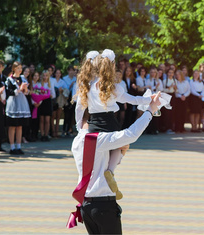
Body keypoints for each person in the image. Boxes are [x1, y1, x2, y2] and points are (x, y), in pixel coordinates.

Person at [71, 92, 161, 234]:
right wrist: (150, 110)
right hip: (103, 205)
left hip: (86, 205)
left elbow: (98, 163)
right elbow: (131, 134)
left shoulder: (76, 141)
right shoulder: (98, 140)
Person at [76, 49, 153, 199]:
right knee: (121, 145)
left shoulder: (87, 86)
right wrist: (149, 100)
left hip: (93, 125)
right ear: (112, 65)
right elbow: (133, 100)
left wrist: (79, 126)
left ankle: (99, 182)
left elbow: (79, 109)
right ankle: (110, 172)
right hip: (110, 123)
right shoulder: (113, 87)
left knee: (100, 154)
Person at [5, 61, 31, 154]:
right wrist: (20, 89)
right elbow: (10, 92)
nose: (20, 70)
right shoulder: (9, 79)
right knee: (12, 126)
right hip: (13, 103)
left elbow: (26, 92)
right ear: (14, 69)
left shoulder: (23, 78)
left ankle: (19, 146)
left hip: (21, 102)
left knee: (20, 126)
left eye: (20, 68)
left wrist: (25, 89)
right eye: (18, 68)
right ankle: (12, 147)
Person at [38, 70, 56, 141]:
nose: (45, 77)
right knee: (42, 119)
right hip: (42, 102)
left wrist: (50, 94)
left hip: (48, 101)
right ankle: (42, 135)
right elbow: (37, 92)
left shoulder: (50, 84)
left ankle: (46, 134)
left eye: (46, 76)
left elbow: (54, 95)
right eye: (44, 76)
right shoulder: (40, 84)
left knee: (47, 120)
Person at [51, 69, 68, 138]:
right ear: (55, 74)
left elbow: (67, 90)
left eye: (59, 73)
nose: (58, 74)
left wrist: (62, 90)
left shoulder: (62, 82)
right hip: (54, 100)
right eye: (57, 73)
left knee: (58, 117)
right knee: (53, 117)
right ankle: (52, 132)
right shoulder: (52, 80)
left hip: (60, 100)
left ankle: (57, 131)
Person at [62, 65, 77, 137]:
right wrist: (71, 85)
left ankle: (69, 129)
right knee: (66, 114)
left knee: (72, 115)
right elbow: (65, 88)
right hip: (67, 97)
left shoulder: (76, 78)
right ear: (68, 71)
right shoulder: (65, 78)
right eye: (70, 70)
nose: (71, 72)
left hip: (73, 97)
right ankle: (64, 129)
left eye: (73, 70)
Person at [161, 68, 176, 134]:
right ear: (167, 73)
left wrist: (175, 88)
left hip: (173, 96)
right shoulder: (164, 81)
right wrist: (169, 87)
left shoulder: (175, 81)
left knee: (172, 112)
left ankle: (171, 127)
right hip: (166, 96)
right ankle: (166, 128)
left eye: (172, 73)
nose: (170, 74)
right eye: (169, 72)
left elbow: (176, 90)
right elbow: (163, 90)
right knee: (167, 112)